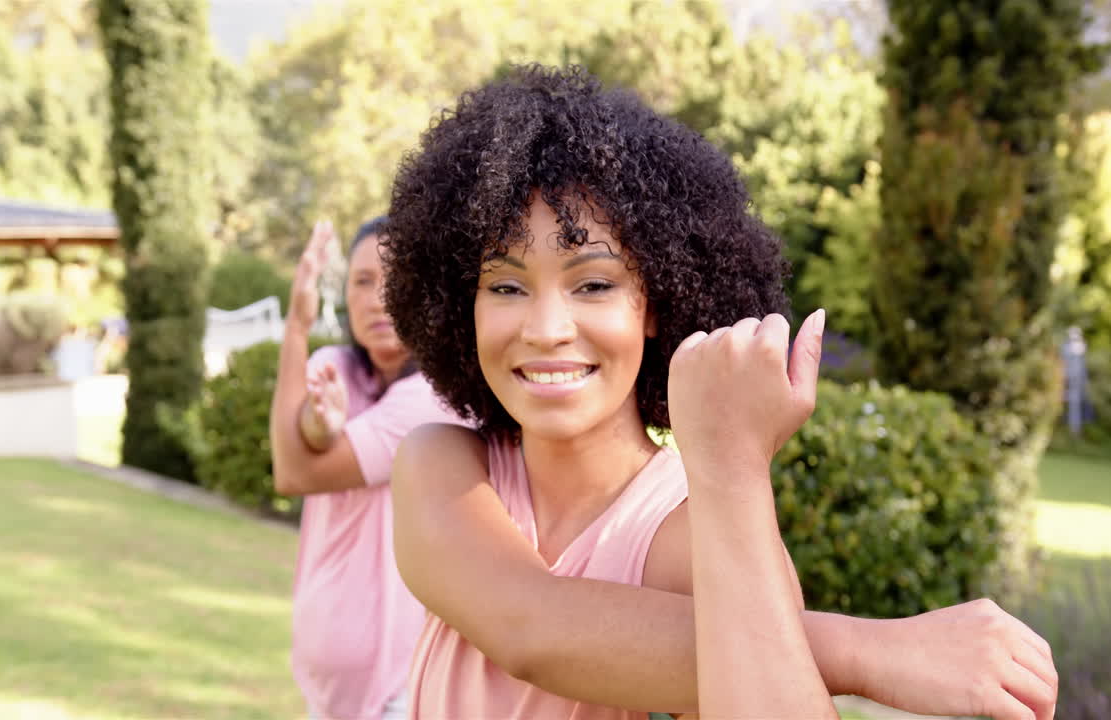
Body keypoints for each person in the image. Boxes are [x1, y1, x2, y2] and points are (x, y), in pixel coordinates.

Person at [381, 65, 1058, 719]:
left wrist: (732, 462)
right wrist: (873, 651)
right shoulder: (443, 467)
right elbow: (529, 626)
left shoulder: (693, 534)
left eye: (593, 284)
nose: (547, 328)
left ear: (656, 304)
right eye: (505, 286)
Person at [269, 217, 464, 720]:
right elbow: (307, 436)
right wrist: (321, 426)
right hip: (326, 693)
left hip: (401, 688)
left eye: (395, 279)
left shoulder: (431, 399)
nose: (377, 298)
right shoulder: (336, 367)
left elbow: (294, 474)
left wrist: (295, 327)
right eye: (361, 281)